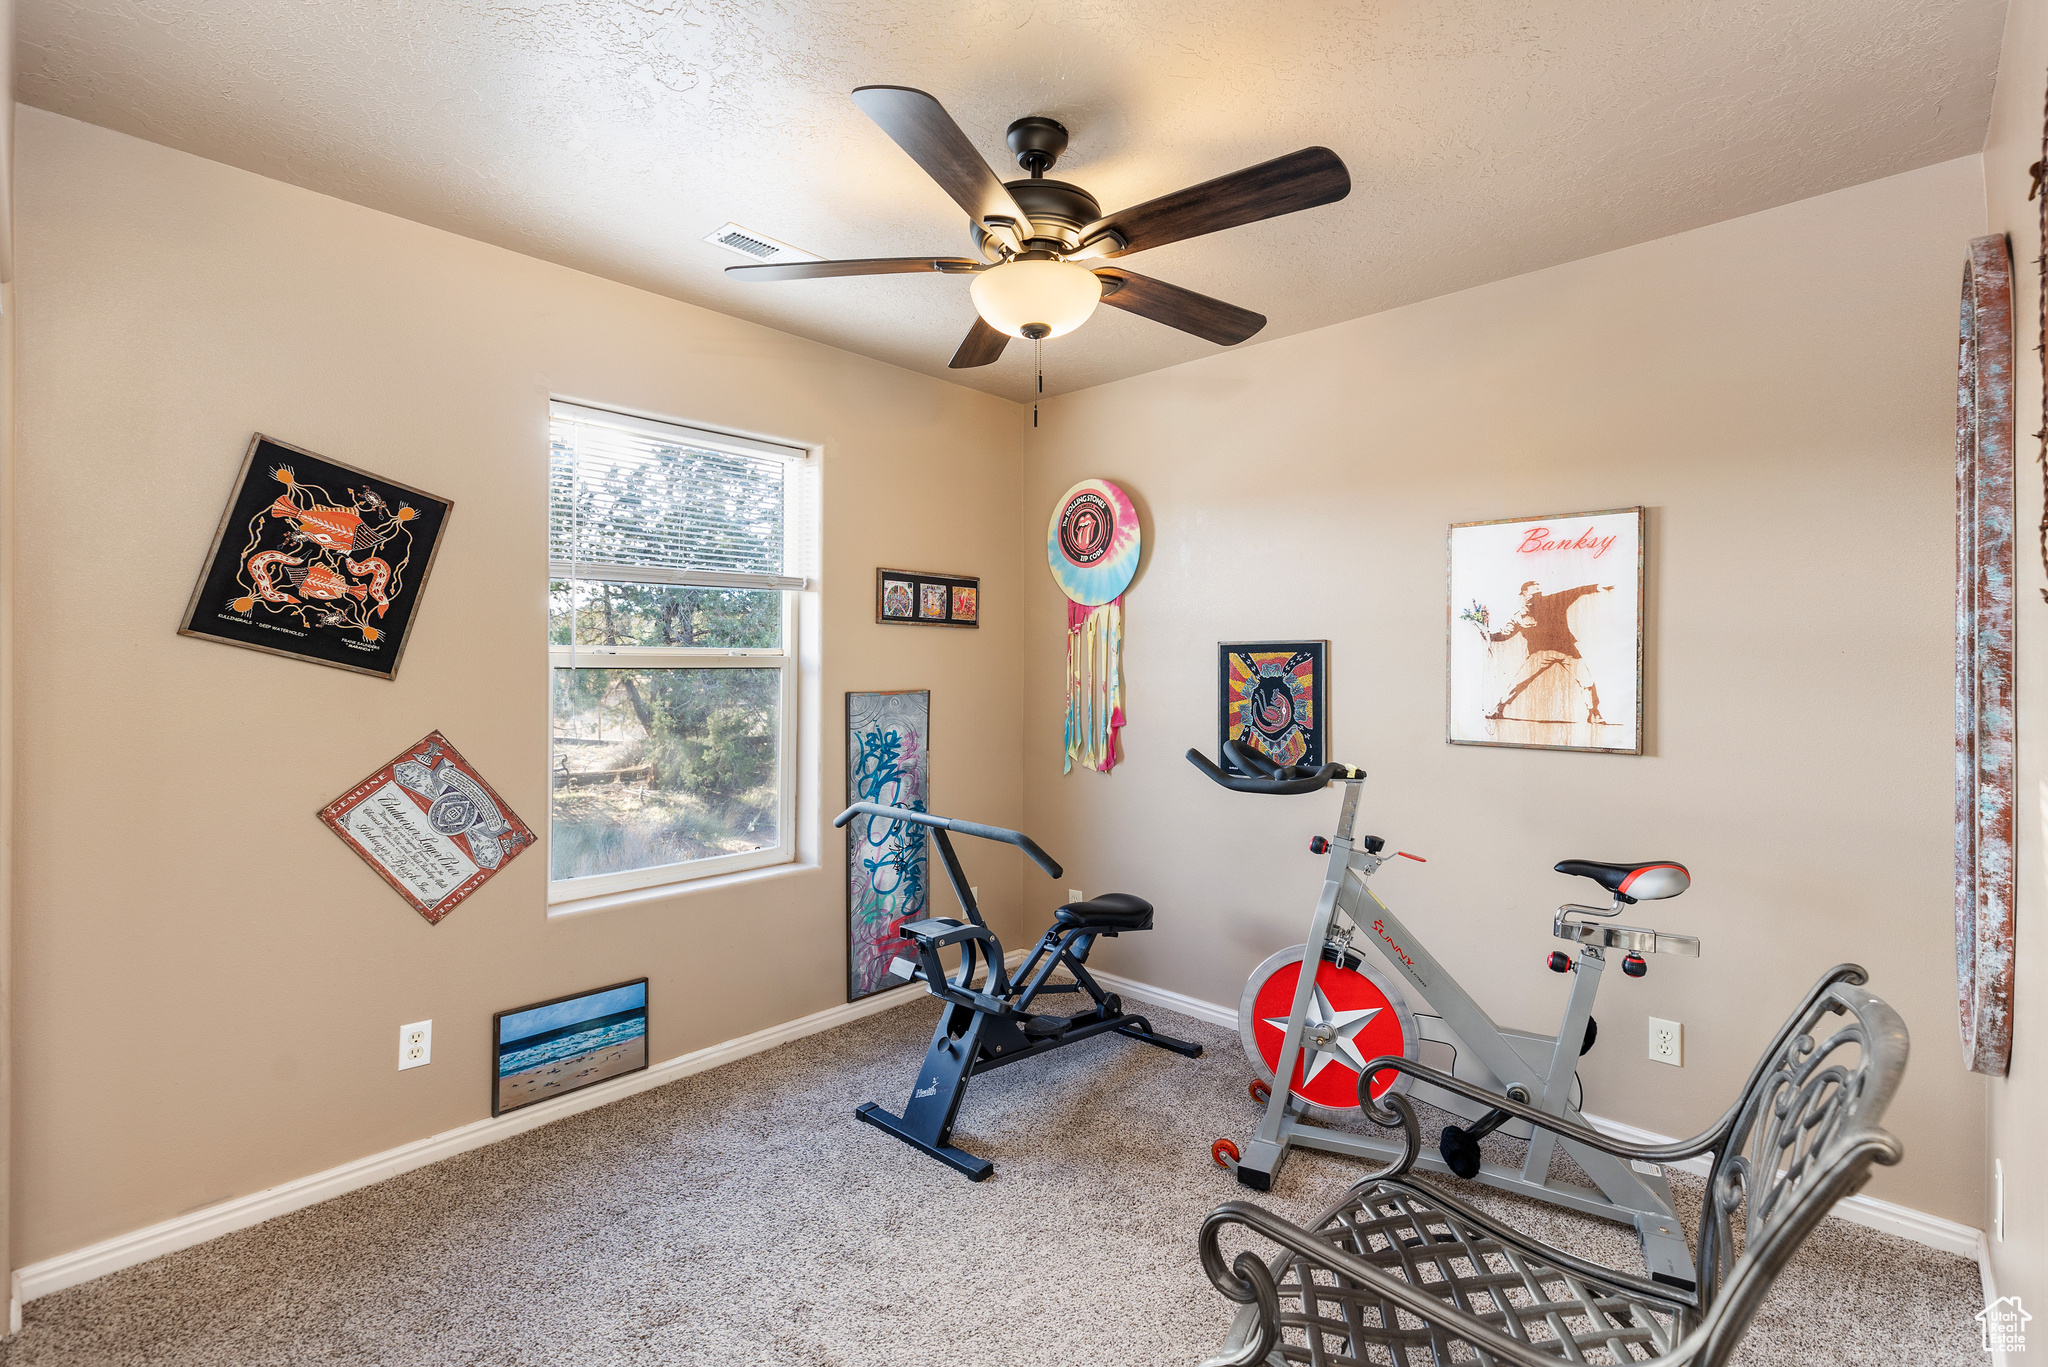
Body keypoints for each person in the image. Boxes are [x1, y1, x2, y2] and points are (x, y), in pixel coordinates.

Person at [1484, 580, 1614, 724]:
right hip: (1540, 654)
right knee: (1518, 682)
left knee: (1587, 681)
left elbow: (1576, 591)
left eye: (1539, 593)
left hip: (1567, 651)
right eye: (1532, 593)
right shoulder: (1519, 616)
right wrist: (1487, 635)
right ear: (1523, 594)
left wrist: (1596, 587)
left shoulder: (1555, 601)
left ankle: (1594, 714)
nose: (1536, 596)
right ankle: (1498, 709)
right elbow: (1504, 635)